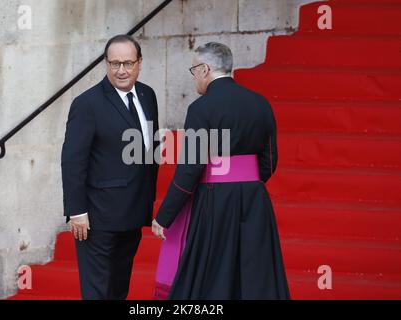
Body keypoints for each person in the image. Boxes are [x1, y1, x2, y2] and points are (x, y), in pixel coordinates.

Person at [152, 42, 290, 299]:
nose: (195, 78)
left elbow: (190, 169)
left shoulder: (201, 108)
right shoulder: (260, 103)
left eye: (194, 70)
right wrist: (245, 180)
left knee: (213, 276)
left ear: (205, 69)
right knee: (254, 273)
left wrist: (164, 216)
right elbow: (269, 161)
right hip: (254, 199)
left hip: (215, 201)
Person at [61, 34, 159, 300]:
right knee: (97, 290)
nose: (121, 70)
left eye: (128, 63)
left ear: (140, 62)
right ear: (106, 63)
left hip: (134, 210)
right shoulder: (87, 104)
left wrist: (148, 200)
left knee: (119, 287)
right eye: (114, 63)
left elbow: (150, 150)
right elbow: (72, 160)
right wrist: (76, 211)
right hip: (98, 216)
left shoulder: (148, 95)